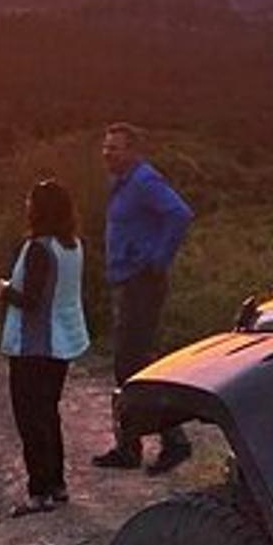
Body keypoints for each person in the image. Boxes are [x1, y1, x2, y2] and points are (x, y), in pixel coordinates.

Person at [92, 122, 195, 475]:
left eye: (115, 148)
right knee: (133, 364)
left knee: (133, 366)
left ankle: (170, 441)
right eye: (105, 147)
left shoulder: (144, 181)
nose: (107, 153)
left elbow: (180, 214)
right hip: (128, 281)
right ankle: (132, 444)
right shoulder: (123, 184)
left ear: (133, 151)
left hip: (141, 283)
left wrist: (157, 259)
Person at [0, 179, 90, 517]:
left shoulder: (38, 248)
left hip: (34, 344)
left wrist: (4, 290)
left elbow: (31, 299)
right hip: (63, 341)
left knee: (30, 418)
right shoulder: (73, 245)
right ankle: (56, 483)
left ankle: (39, 491)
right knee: (48, 413)